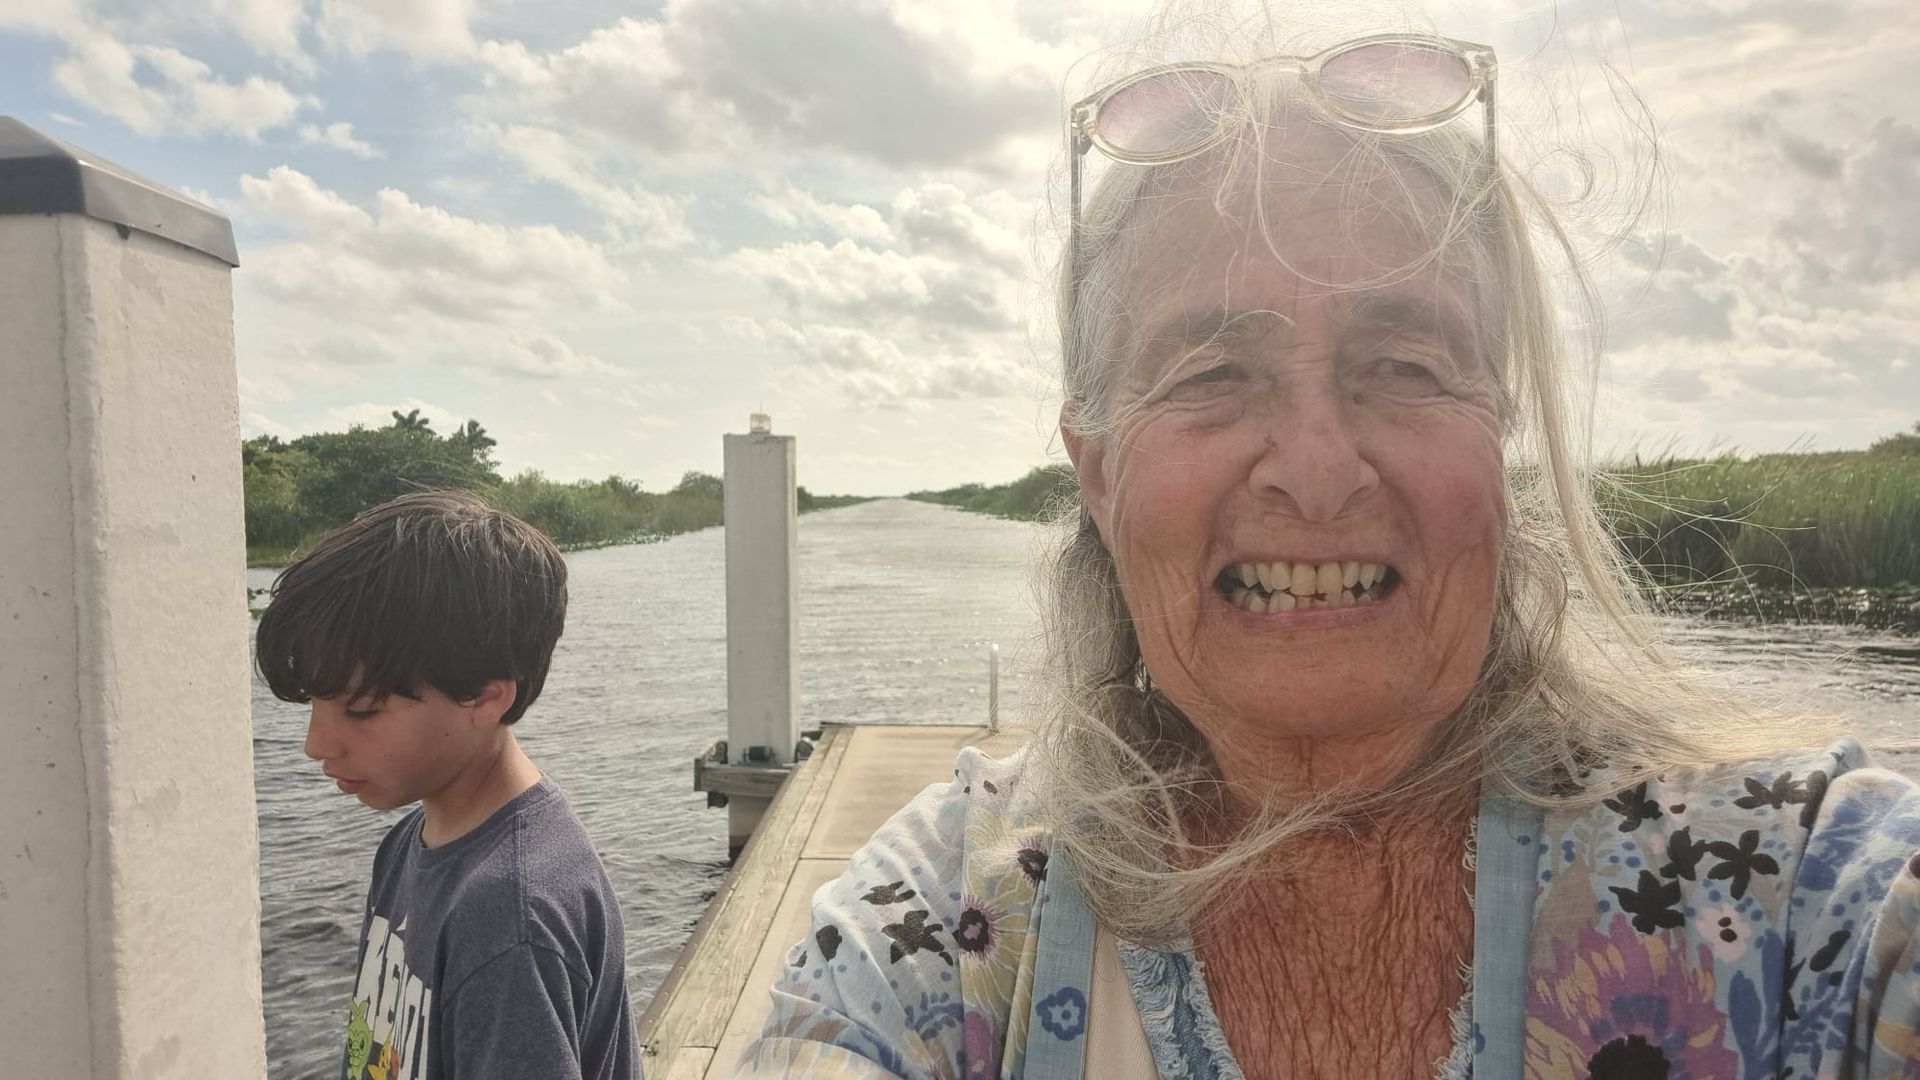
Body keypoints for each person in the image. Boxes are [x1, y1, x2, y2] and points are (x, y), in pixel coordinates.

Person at [737, 12, 1920, 1080]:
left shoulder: (1806, 896)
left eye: (1404, 366)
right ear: (1096, 473)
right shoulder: (949, 926)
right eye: (1212, 372)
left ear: (1499, 436)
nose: (1315, 466)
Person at [256, 490, 640, 1080]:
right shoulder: (413, 839)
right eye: (314, 703)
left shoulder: (509, 918)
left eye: (360, 711)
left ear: (485, 696)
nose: (317, 744)